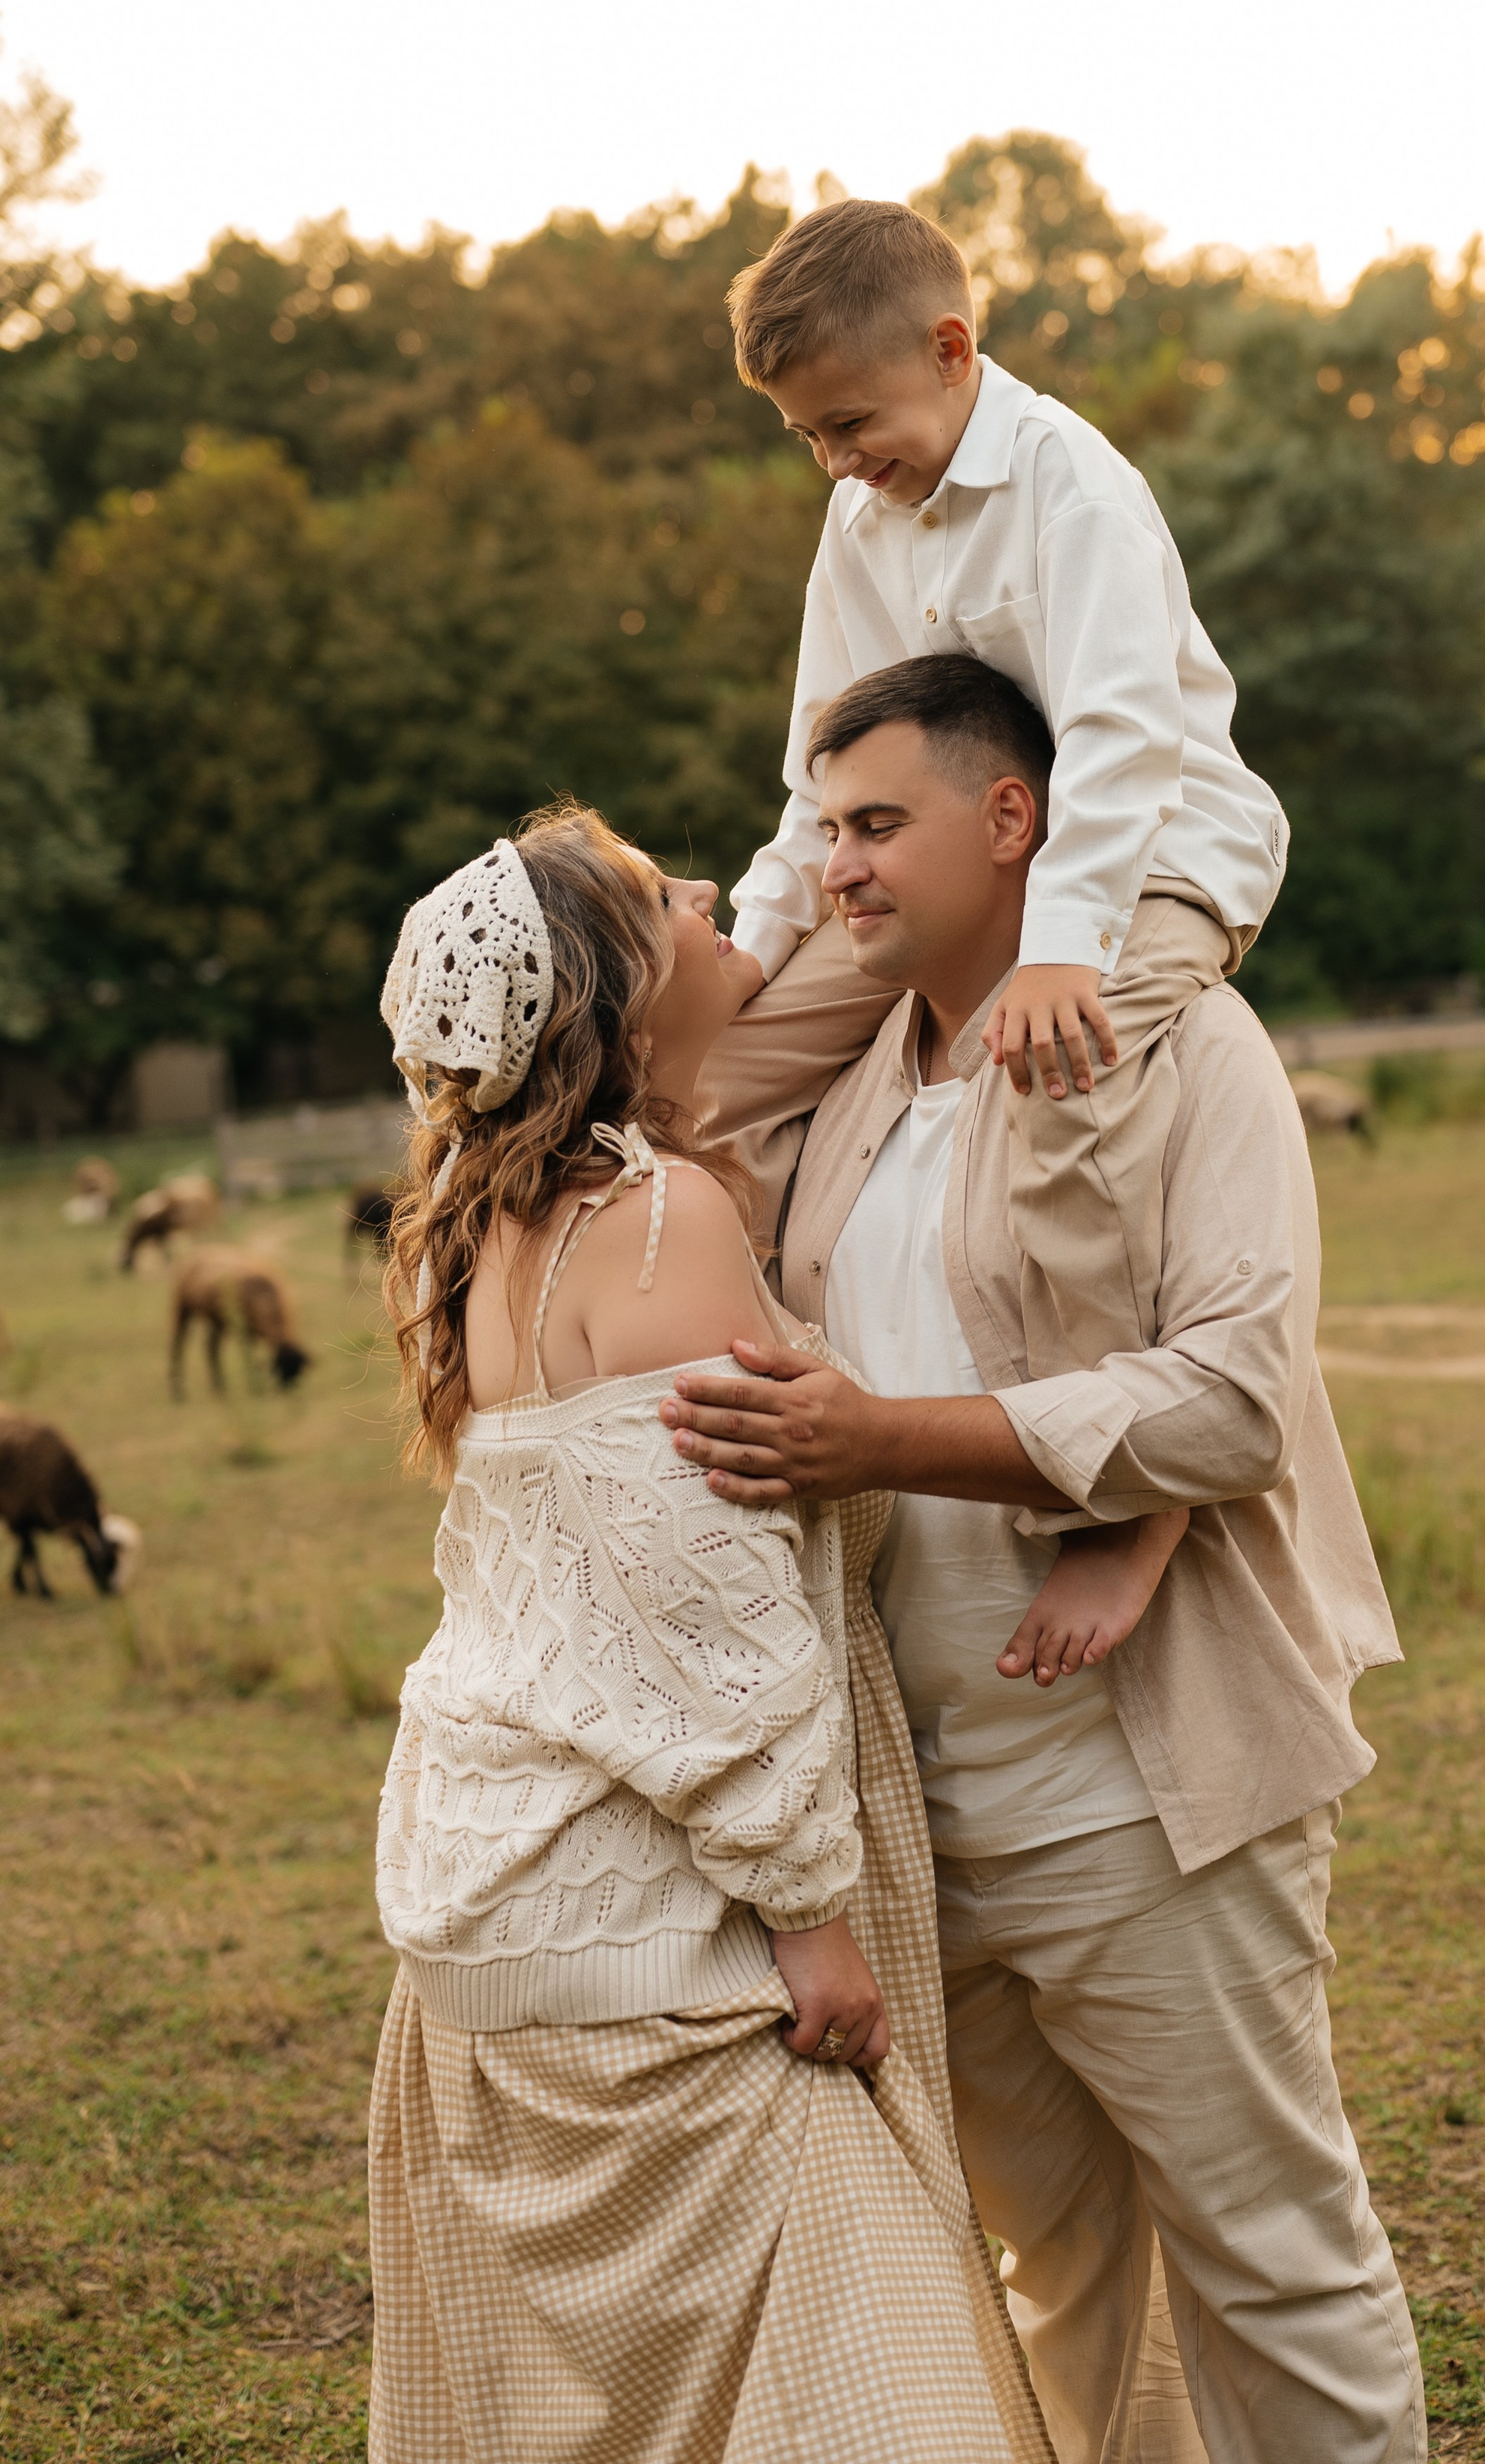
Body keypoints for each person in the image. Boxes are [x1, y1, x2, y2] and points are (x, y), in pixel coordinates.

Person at [678, 659, 1429, 2464]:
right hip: (919, 1818)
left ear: (1012, 816)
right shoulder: (850, 1084)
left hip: (1138, 1791)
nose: (835, 868)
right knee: (1049, 2270)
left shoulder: (1187, 1052)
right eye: (826, 828)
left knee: (1267, 2257)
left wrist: (888, 1442)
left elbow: (1233, 1396)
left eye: (874, 825)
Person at [365, 805, 1055, 2464]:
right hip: (647, 1914)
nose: (704, 887)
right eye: (654, 890)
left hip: (482, 1873)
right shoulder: (663, 1222)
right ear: (613, 987)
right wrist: (808, 1916)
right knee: (879, 2395)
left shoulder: (494, 1220)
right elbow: (713, 1618)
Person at [718, 196, 1289, 1386]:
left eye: (849, 422)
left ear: (950, 350)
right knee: (721, 1075)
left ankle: (1098, 1464)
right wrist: (753, 948)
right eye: (805, 436)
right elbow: (820, 763)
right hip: (948, 864)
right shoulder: (859, 518)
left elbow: (1123, 736)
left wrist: (1064, 949)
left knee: (1063, 1078)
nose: (833, 460)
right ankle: (765, 1367)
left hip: (1153, 858)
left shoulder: (1070, 485)